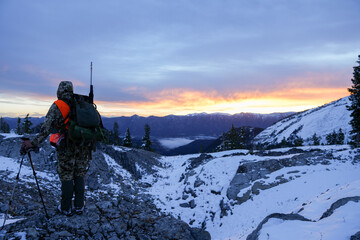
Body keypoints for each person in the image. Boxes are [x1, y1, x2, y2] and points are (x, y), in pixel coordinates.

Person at [21, 81, 93, 216]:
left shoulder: (58, 105)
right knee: (79, 173)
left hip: (67, 146)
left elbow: (46, 128)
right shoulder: (82, 103)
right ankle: (79, 206)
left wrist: (34, 143)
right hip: (83, 146)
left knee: (66, 174)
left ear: (59, 91)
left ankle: (65, 207)